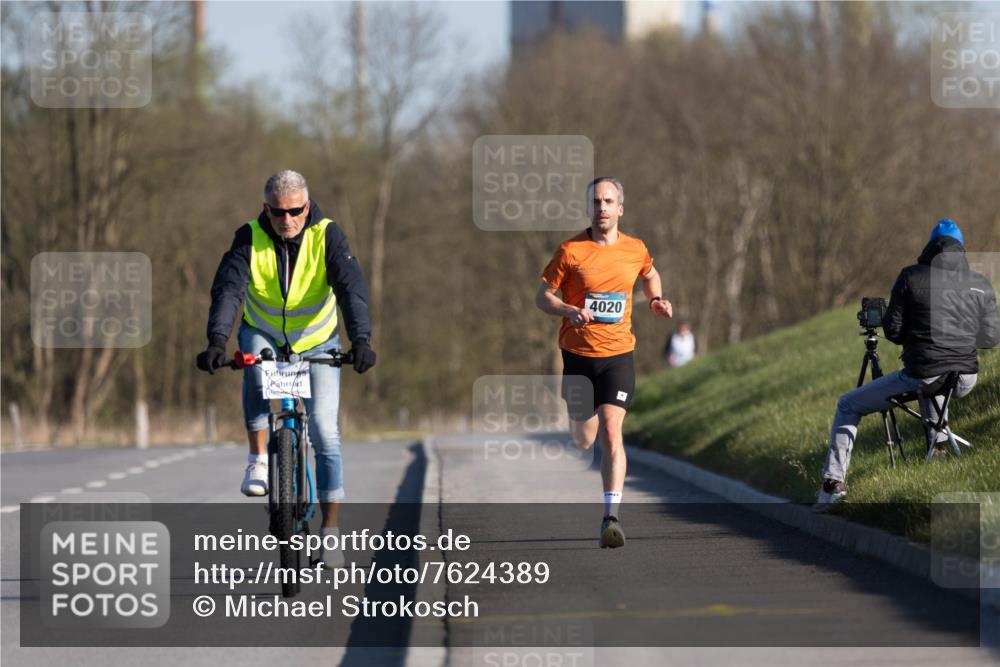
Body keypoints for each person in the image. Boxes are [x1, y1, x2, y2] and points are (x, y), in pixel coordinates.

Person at [196, 170, 376, 567]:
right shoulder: (248, 236)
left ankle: (330, 532)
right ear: (266, 209)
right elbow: (229, 290)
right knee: (255, 369)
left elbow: (350, 288)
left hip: (317, 340)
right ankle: (258, 460)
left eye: (295, 211)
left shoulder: (328, 234)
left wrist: (360, 340)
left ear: (307, 206)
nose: (287, 220)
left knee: (326, 434)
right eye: (278, 213)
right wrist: (216, 341)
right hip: (263, 333)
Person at [816, 218, 1000, 508]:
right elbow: (991, 337)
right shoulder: (979, 284)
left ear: (930, 246)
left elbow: (893, 331)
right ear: (961, 249)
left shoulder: (910, 277)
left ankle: (833, 484)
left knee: (848, 404)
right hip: (965, 377)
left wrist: (917, 334)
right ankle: (937, 451)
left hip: (925, 375)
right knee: (936, 381)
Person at [535, 176, 673, 548]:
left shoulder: (635, 248)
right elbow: (542, 297)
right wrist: (567, 308)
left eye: (608, 201)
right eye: (596, 202)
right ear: (588, 209)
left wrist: (656, 298)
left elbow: (650, 273)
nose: (602, 208)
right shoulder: (570, 251)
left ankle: (611, 517)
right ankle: (580, 420)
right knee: (584, 440)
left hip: (618, 355)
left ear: (620, 208)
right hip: (578, 356)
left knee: (613, 431)